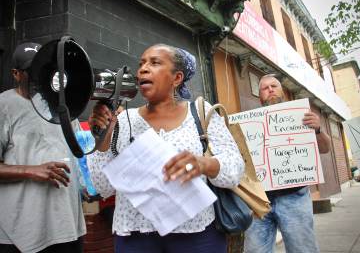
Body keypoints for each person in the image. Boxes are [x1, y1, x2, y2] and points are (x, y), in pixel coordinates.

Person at [87, 44, 244, 253]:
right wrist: (103, 137)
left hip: (197, 235)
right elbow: (102, 187)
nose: (143, 69)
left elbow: (235, 169)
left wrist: (203, 164)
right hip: (136, 238)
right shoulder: (123, 120)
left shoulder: (200, 112)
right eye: (141, 63)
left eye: (155, 63)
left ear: (176, 78)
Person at [0, 43, 86, 253]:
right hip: (21, 233)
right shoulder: (4, 105)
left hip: (69, 227)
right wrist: (31, 171)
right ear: (16, 74)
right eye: (33, 71)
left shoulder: (62, 104)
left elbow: (80, 152)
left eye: (46, 69)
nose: (41, 75)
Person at [244, 74, 331, 253]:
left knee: (303, 250)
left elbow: (325, 148)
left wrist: (318, 129)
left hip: (295, 198)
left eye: (274, 86)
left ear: (282, 90)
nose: (270, 90)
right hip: (260, 202)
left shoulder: (302, 116)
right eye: (265, 88)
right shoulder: (248, 123)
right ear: (259, 96)